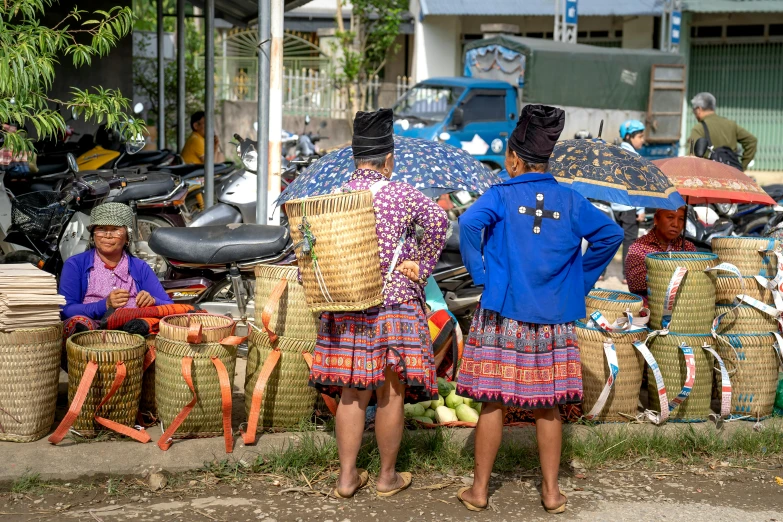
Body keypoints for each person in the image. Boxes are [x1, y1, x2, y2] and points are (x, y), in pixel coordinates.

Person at [456, 105, 623, 514]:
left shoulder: (500, 194)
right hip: (553, 319)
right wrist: (578, 282)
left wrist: (482, 274)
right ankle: (550, 493)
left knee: (493, 401)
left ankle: (479, 492)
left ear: (512, 158)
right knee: (548, 404)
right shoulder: (570, 200)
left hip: (503, 316)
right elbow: (611, 234)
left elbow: (467, 224)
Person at [308, 108, 448, 499]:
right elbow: (439, 221)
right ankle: (387, 478)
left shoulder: (331, 198)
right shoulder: (400, 193)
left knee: (352, 393)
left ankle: (347, 477)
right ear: (388, 159)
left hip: (347, 306)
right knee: (391, 392)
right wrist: (419, 265)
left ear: (354, 159)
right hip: (394, 305)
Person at [59, 203, 173, 337]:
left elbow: (168, 306)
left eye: (115, 229)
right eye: (101, 229)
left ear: (127, 238)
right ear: (93, 235)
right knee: (77, 324)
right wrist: (105, 305)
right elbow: (66, 310)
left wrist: (153, 301)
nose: (107, 235)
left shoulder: (140, 267)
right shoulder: (75, 264)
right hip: (92, 334)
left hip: (133, 333)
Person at [625, 207, 696, 298]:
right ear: (656, 219)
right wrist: (674, 276)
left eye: (681, 219)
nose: (676, 224)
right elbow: (635, 282)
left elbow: (695, 280)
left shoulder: (688, 248)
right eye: (670, 217)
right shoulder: (640, 246)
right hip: (648, 306)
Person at [610, 120, 647, 284]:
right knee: (629, 242)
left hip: (614, 205)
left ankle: (601, 272)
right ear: (630, 137)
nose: (642, 140)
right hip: (629, 207)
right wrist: (640, 209)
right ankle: (626, 275)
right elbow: (637, 186)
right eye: (640, 136)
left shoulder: (615, 154)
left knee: (610, 238)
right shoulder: (635, 158)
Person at [689, 92, 757, 171]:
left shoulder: (699, 128)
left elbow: (692, 157)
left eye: (694, 111)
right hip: (731, 172)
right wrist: (742, 167)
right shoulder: (730, 124)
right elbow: (752, 141)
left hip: (710, 174)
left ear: (699, 109)